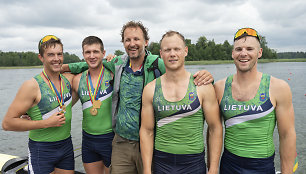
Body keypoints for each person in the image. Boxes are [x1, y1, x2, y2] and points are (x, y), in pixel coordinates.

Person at [66, 21, 213, 174]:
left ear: (146, 42)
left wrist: (205, 77)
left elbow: (181, 74)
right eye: (127, 40)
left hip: (150, 142)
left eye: (136, 39)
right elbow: (92, 62)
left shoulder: (158, 64)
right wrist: (63, 67)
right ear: (123, 43)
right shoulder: (118, 63)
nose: (132, 43)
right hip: (121, 142)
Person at [214, 28, 297, 174]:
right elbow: (213, 130)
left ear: (259, 53)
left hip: (261, 166)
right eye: (238, 49)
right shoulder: (219, 87)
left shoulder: (278, 87)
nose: (243, 53)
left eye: (249, 49)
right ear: (233, 54)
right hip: (228, 164)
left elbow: (287, 135)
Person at [139, 31, 223, 174]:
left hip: (193, 162)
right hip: (162, 161)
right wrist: (147, 170)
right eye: (167, 50)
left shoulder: (202, 86)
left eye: (177, 49)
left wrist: (213, 168)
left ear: (185, 51)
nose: (172, 54)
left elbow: (215, 128)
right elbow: (147, 131)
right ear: (161, 53)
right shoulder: (150, 89)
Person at [2, 35, 77, 174]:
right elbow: (7, 124)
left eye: (59, 54)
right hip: (42, 150)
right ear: (41, 58)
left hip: (66, 146)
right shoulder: (31, 86)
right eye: (50, 55)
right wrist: (46, 123)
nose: (56, 59)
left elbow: (88, 66)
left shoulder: (67, 80)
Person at [72, 36, 114, 174]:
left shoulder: (113, 75)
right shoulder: (78, 80)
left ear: (103, 53)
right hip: (88, 140)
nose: (92, 56)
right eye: (87, 52)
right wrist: (32, 113)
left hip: (111, 139)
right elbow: (64, 105)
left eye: (96, 52)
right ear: (83, 55)